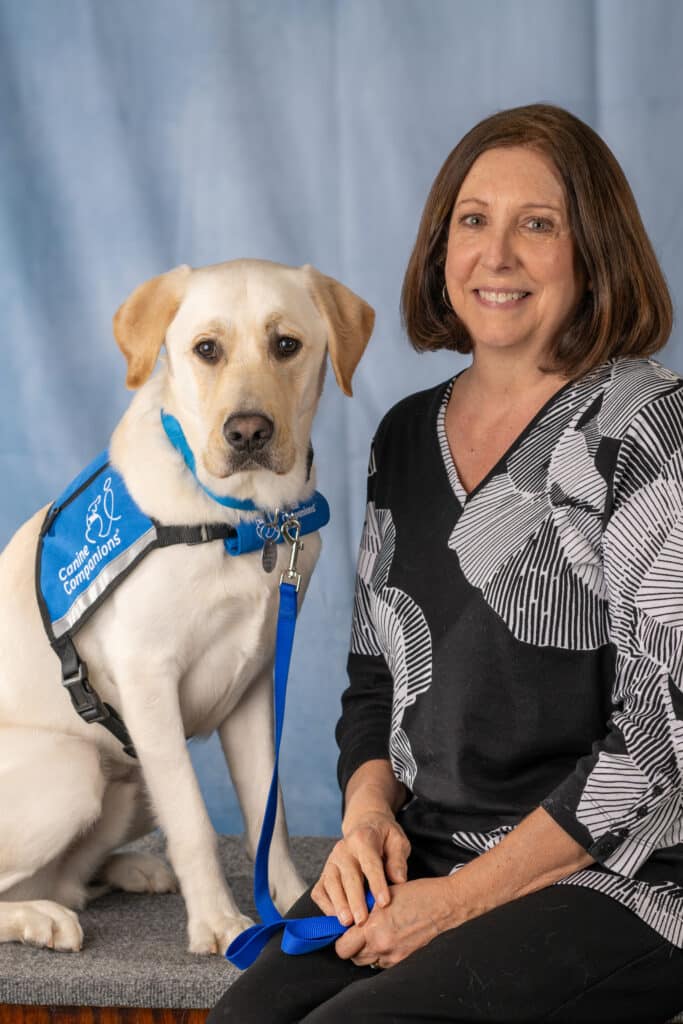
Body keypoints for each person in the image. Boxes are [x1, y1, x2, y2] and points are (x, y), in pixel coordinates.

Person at [208, 103, 683, 1023]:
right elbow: (374, 682)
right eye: (472, 221)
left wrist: (463, 902)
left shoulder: (649, 427)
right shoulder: (402, 437)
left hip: (629, 874)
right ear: (440, 248)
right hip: (430, 847)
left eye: (536, 225)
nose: (495, 255)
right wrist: (366, 822)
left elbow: (658, 749)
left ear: (593, 250)